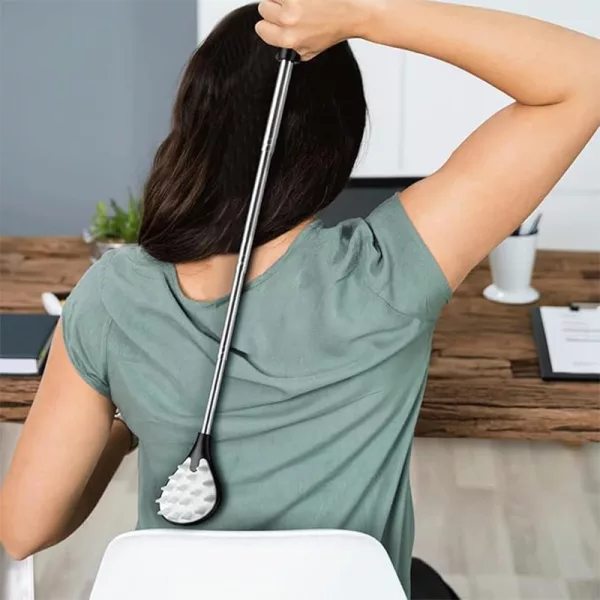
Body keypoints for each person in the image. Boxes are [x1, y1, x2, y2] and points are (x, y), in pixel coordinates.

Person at [2, 1, 598, 596]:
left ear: (194, 119)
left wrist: (126, 429)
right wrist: (363, 15)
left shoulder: (110, 294)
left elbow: (23, 529)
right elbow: (584, 75)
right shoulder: (387, 271)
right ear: (339, 133)